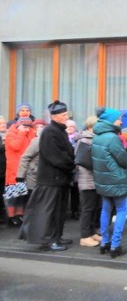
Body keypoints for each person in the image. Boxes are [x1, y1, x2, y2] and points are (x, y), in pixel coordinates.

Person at [19, 100, 76, 251]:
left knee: (59, 211)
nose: (66, 117)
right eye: (63, 115)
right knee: (49, 211)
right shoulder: (50, 132)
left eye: (66, 114)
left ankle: (56, 236)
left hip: (60, 178)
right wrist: (72, 164)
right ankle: (49, 240)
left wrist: (71, 161)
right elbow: (55, 156)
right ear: (55, 117)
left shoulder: (60, 131)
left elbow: (69, 151)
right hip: (51, 179)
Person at [92, 108, 127, 258]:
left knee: (106, 210)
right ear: (112, 120)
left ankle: (104, 243)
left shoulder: (97, 136)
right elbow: (123, 159)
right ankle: (115, 245)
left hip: (102, 180)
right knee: (122, 210)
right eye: (119, 118)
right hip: (116, 179)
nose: (121, 121)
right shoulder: (113, 138)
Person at [4, 117, 37, 227]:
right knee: (13, 196)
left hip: (25, 170)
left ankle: (19, 216)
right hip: (13, 169)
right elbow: (16, 146)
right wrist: (21, 133)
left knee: (22, 195)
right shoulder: (11, 134)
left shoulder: (31, 134)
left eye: (29, 126)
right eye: (24, 126)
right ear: (18, 125)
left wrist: (30, 132)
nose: (27, 128)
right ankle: (11, 217)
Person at [75, 116, 102, 247]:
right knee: (87, 209)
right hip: (87, 180)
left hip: (94, 179)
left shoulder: (93, 139)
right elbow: (82, 160)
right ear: (91, 126)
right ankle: (84, 236)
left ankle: (92, 232)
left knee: (94, 207)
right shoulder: (84, 140)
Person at [16, 120, 46, 206]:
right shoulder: (36, 141)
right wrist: (20, 176)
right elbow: (25, 157)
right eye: (37, 127)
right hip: (32, 174)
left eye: (42, 127)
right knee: (29, 201)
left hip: (41, 175)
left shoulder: (47, 141)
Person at [66, 119, 80, 220]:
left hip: (76, 167)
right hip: (65, 166)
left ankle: (75, 211)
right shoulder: (62, 138)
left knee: (75, 190)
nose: (70, 128)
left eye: (72, 126)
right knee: (65, 190)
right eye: (68, 126)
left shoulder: (78, 138)